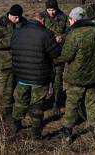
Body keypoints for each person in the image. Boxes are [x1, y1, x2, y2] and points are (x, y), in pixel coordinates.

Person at [54, 7, 95, 143]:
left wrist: (53, 58)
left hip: (76, 78)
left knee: (72, 104)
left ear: (74, 20)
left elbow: (66, 56)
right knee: (92, 103)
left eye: (70, 19)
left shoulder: (74, 34)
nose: (69, 22)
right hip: (93, 77)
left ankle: (67, 133)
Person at [10, 12, 62, 140]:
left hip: (21, 75)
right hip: (39, 77)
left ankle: (16, 125)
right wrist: (57, 43)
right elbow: (55, 54)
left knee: (20, 102)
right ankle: (36, 134)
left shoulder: (17, 32)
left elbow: (13, 48)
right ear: (42, 21)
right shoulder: (46, 34)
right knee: (37, 106)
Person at [0, 4, 27, 122]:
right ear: (9, 14)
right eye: (14, 17)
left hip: (22, 62)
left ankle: (21, 110)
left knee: (23, 89)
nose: (16, 20)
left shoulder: (24, 22)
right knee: (8, 90)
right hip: (7, 63)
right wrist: (14, 40)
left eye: (18, 17)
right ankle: (7, 114)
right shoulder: (0, 23)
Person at [40, 0, 68, 115]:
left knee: (57, 80)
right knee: (44, 79)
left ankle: (56, 103)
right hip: (45, 54)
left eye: (53, 9)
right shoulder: (41, 16)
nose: (52, 12)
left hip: (58, 53)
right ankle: (42, 102)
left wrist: (62, 37)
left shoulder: (63, 17)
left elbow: (70, 32)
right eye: (49, 10)